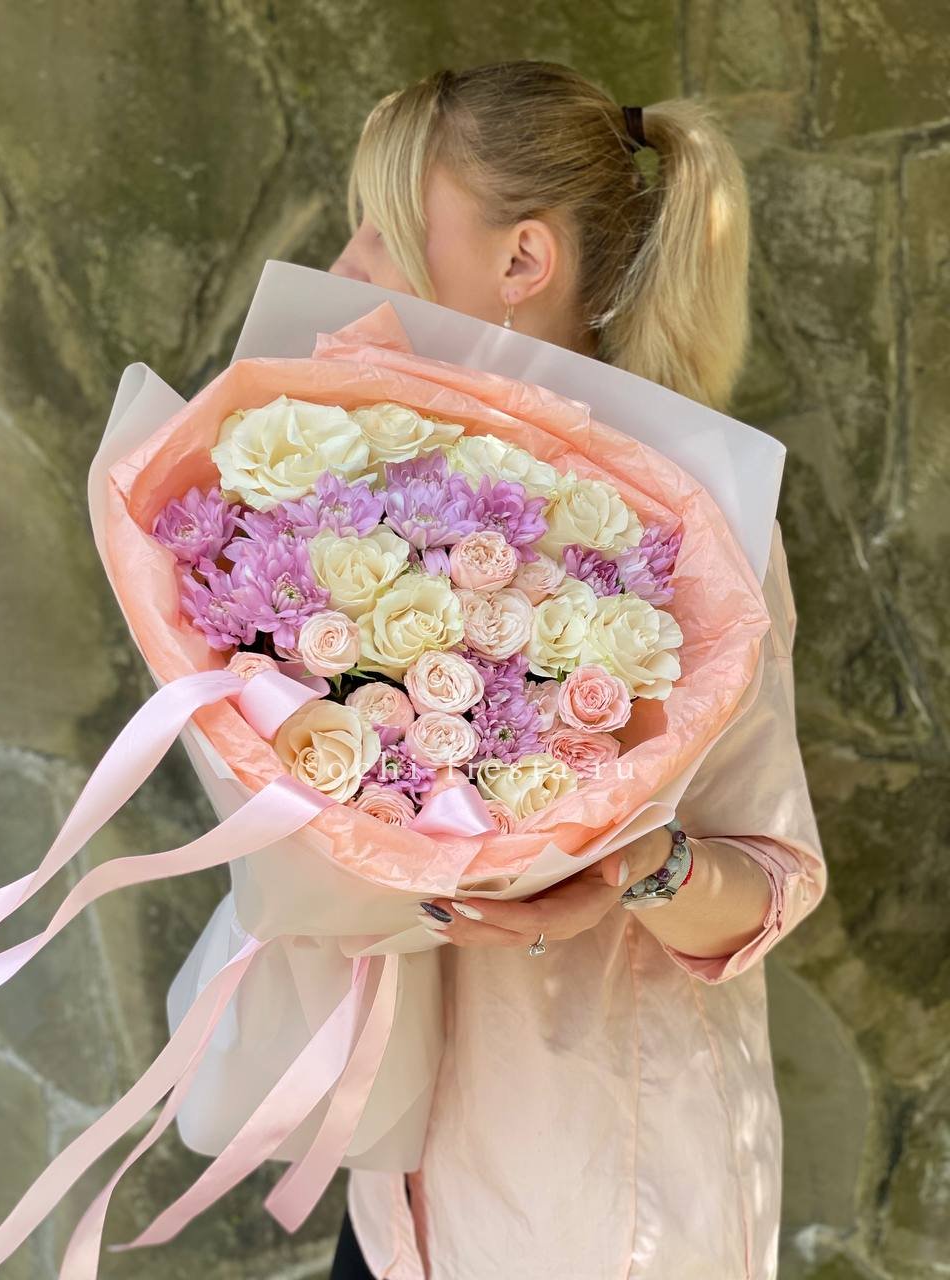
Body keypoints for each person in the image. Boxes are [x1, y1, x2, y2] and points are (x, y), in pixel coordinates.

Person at [326, 60, 826, 1280]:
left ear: (521, 259)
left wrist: (625, 862)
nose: (344, 264)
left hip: (602, 1197)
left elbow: (771, 878)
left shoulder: (694, 524)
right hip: (398, 1184)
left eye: (382, 228)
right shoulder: (358, 495)